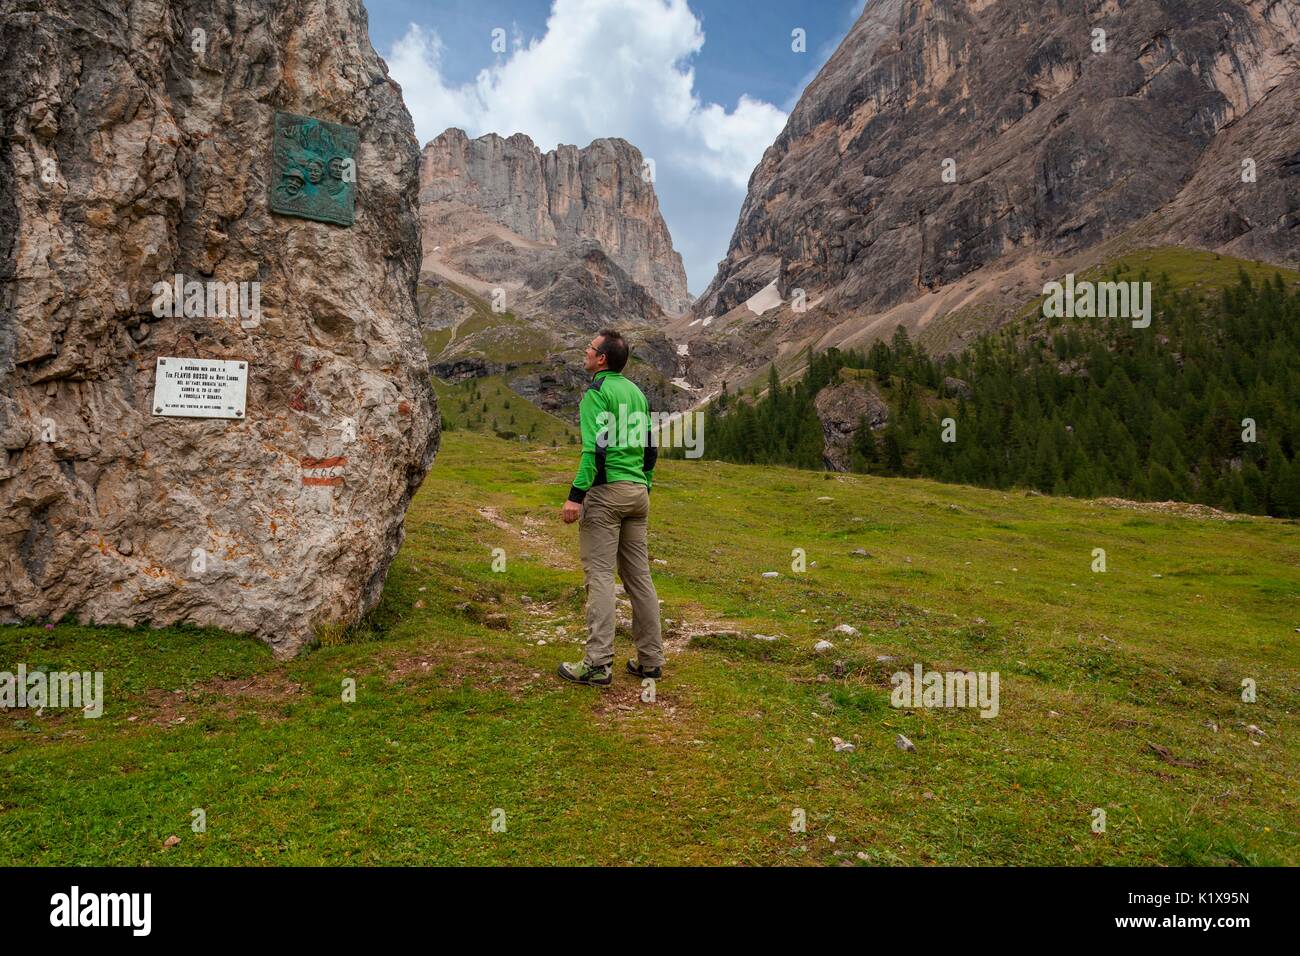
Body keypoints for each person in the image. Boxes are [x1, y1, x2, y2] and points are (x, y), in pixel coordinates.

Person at [557, 329, 663, 687]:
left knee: (600, 576)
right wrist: (644, 483)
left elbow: (594, 451)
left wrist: (576, 495)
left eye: (589, 347)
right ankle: (650, 661)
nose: (585, 352)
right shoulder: (636, 393)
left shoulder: (596, 393)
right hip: (637, 493)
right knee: (639, 578)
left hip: (606, 494)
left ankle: (597, 664)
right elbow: (651, 447)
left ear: (601, 358)